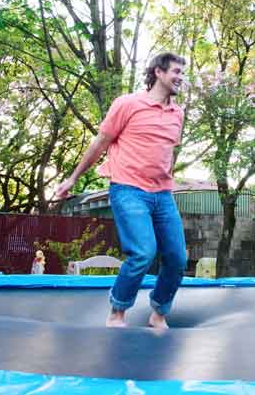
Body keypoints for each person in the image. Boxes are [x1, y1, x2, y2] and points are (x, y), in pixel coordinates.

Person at [53, 52, 188, 328]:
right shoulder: (128, 104)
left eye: (182, 73)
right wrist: (72, 179)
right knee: (143, 252)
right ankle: (117, 312)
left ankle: (158, 313)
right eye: (176, 71)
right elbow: (100, 143)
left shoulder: (177, 113)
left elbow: (166, 152)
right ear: (159, 73)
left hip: (162, 194)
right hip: (128, 189)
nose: (180, 78)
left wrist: (167, 180)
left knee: (177, 257)